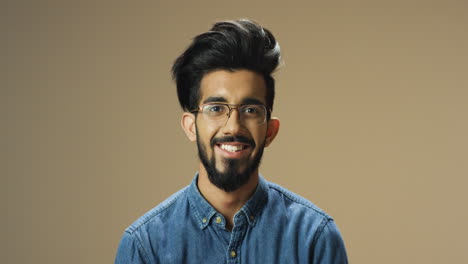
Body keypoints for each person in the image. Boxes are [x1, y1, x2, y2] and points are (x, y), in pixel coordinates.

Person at [115, 19, 348, 263]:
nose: (234, 126)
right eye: (216, 108)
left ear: (270, 130)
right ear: (190, 126)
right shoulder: (145, 245)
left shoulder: (314, 237)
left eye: (250, 110)